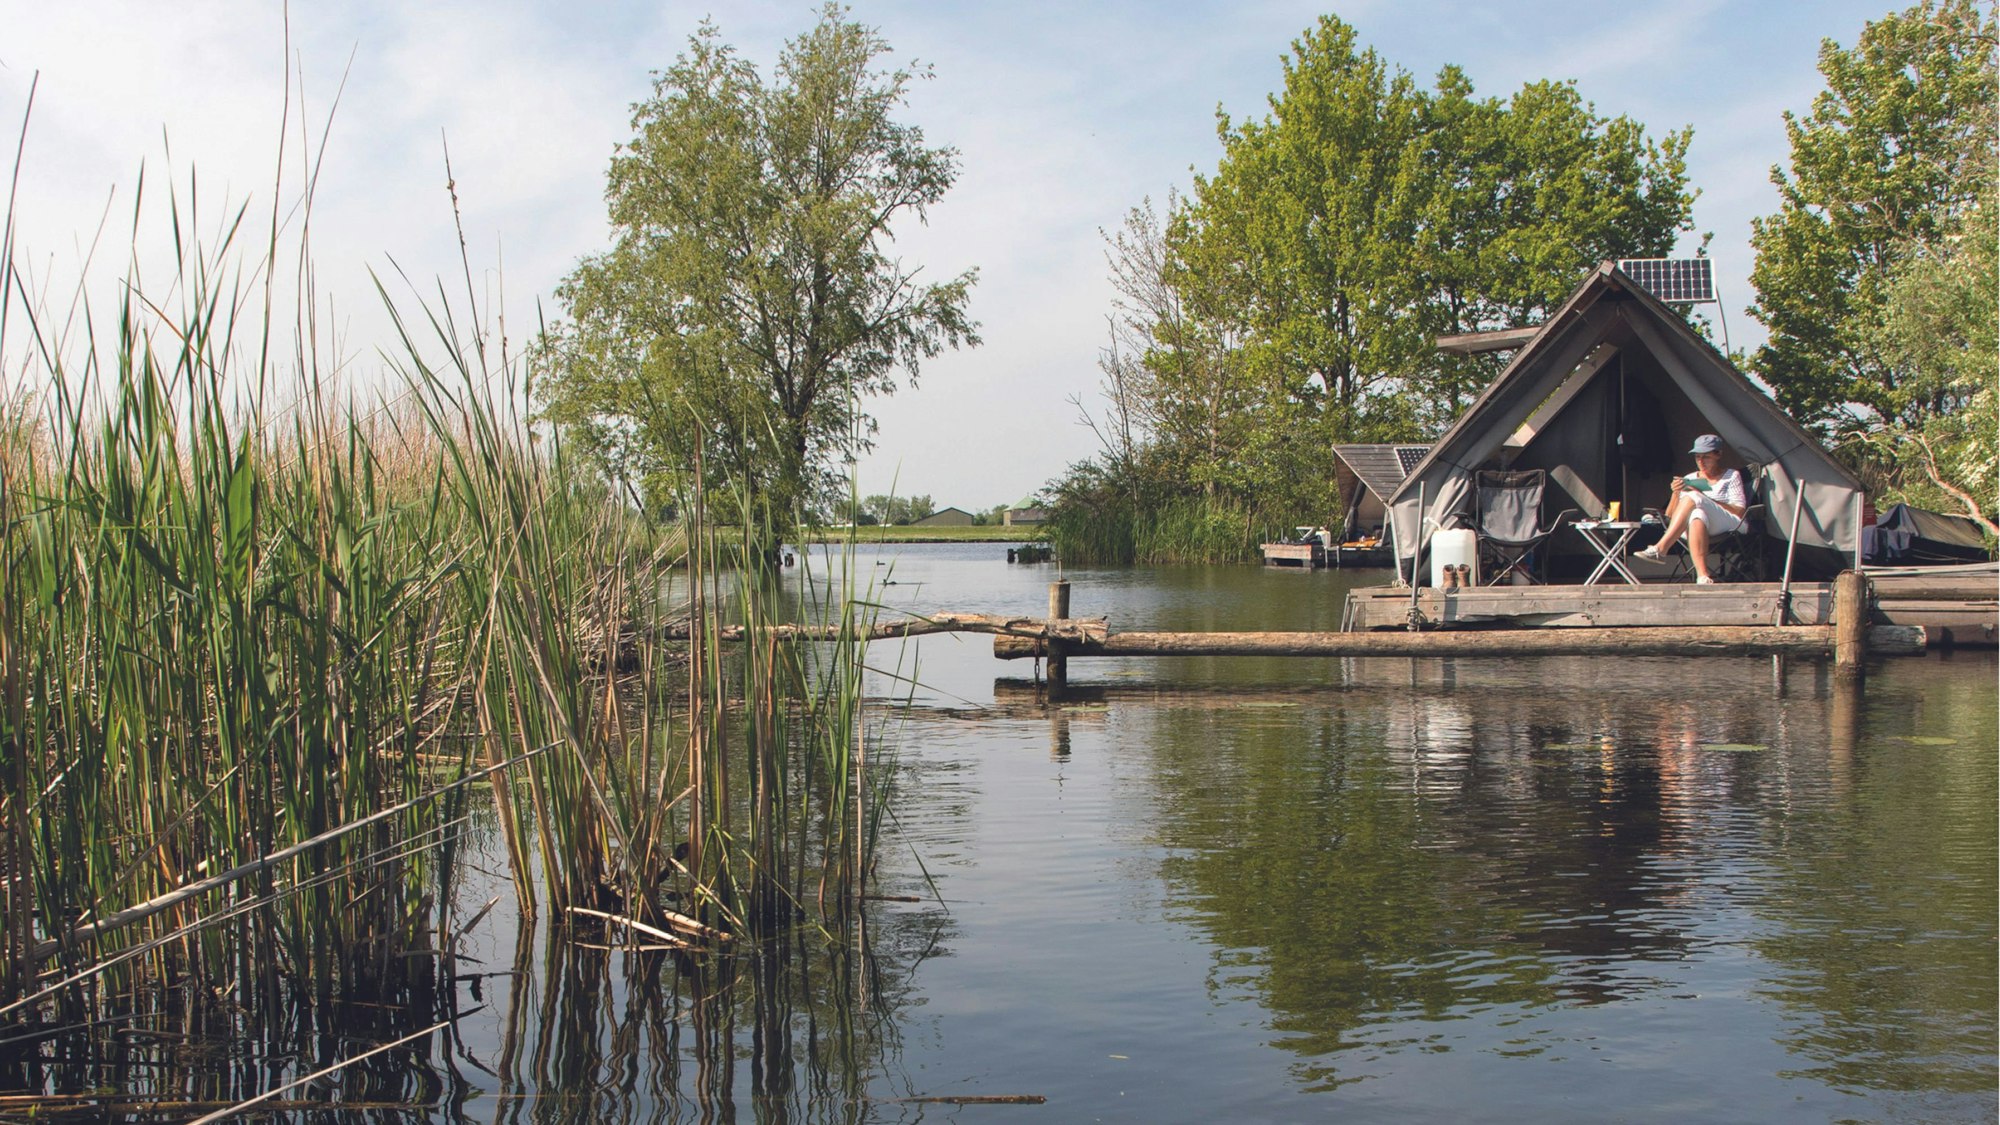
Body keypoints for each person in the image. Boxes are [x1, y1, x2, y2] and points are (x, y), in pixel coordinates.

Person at [1635, 434, 1748, 584]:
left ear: (1718, 455)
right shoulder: (1690, 478)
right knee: (1697, 514)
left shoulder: (1731, 476)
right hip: (1699, 525)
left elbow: (1739, 511)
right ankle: (1703, 576)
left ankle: (1661, 548)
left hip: (1730, 523)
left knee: (1694, 497)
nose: (1701, 461)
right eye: (1697, 457)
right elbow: (1670, 516)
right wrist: (1676, 493)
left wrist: (1704, 498)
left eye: (1706, 457)